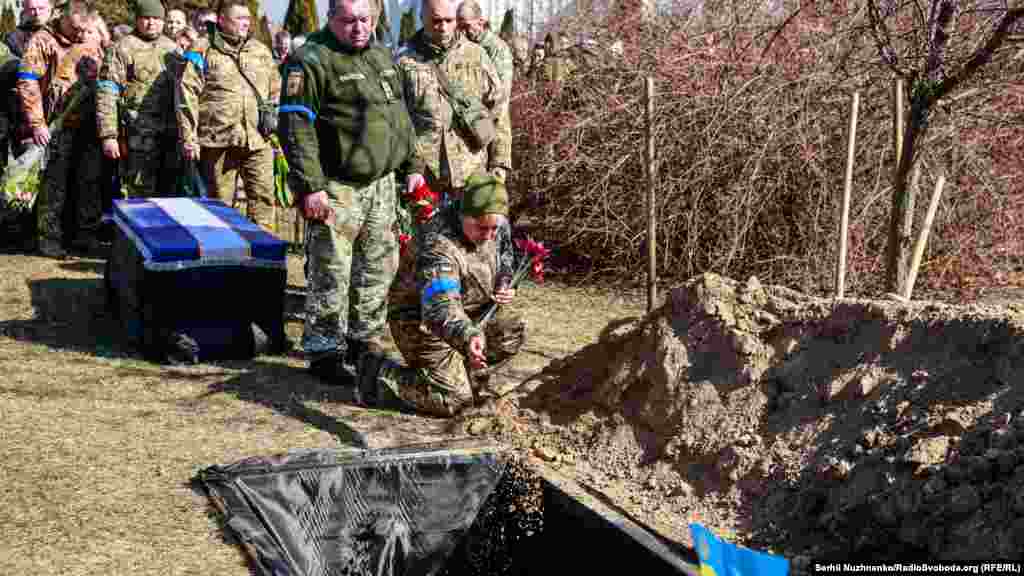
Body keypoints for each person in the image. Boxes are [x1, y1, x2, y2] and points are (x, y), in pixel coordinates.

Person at [277, 0, 415, 383]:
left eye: (366, 20)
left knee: (376, 267)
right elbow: (295, 129)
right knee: (331, 269)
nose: (358, 28)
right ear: (331, 19)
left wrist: (412, 167)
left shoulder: (382, 57)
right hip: (336, 187)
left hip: (381, 185)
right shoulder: (311, 60)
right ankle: (325, 349)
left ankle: (364, 341)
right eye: (349, 21)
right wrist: (311, 186)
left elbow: (399, 119)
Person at [362, 174, 525, 416]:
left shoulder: (494, 224)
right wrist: (468, 336)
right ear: (463, 216)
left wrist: (504, 282)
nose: (490, 236)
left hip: (471, 312)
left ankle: (465, 374)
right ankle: (378, 375)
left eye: (495, 228)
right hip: (422, 322)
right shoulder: (439, 244)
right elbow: (440, 306)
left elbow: (506, 257)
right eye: (483, 228)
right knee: (455, 400)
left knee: (510, 330)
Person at [397, 0, 514, 292]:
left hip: (472, 174)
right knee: (426, 249)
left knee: (476, 251)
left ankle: (472, 313)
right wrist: (407, 169)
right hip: (427, 177)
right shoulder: (404, 63)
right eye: (436, 21)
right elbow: (396, 122)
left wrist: (499, 163)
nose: (444, 27)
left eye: (450, 20)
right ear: (422, 17)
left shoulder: (478, 57)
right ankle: (429, 312)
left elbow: (498, 113)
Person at [178, 0, 280, 232]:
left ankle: (263, 259)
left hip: (257, 139)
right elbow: (186, 93)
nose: (245, 24)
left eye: (247, 19)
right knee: (219, 206)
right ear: (221, 20)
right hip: (218, 140)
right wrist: (189, 136)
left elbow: (275, 88)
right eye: (239, 19)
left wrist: (272, 119)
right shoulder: (201, 49)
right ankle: (223, 259)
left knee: (263, 200)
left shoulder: (260, 50)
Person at [16, 0, 88, 257]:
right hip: (54, 126)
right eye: (75, 29)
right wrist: (37, 123)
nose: (79, 35)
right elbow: (27, 82)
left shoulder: (89, 37)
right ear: (64, 19)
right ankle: (49, 241)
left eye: (83, 29)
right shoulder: (42, 41)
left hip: (87, 126)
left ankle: (83, 237)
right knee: (53, 186)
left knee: (85, 183)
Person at [96, 0, 178, 199]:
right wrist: (108, 135)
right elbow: (107, 92)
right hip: (137, 137)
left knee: (169, 193)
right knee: (138, 195)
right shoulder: (122, 48)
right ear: (137, 20)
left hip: (170, 135)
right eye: (146, 18)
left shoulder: (173, 48)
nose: (151, 24)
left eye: (156, 19)